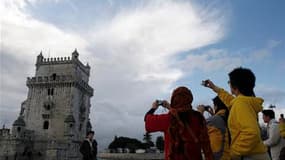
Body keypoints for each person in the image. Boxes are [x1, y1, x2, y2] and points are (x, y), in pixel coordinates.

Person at [203, 67, 270, 160]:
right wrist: (215, 88)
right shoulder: (244, 102)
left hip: (250, 156)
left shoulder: (240, 103)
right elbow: (230, 100)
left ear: (235, 86)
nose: (229, 84)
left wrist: (234, 152)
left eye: (229, 82)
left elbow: (251, 133)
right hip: (257, 154)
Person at [145, 86, 213, 160]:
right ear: (190, 99)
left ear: (174, 100)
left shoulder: (168, 119)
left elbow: (147, 121)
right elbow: (206, 144)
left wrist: (153, 108)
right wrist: (170, 107)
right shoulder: (199, 117)